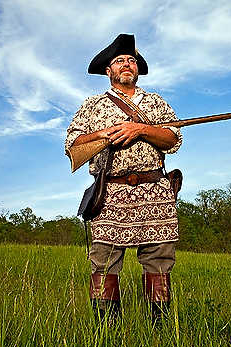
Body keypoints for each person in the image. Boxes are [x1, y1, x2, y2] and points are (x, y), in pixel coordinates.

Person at [65, 34, 182, 325]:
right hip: (111, 192)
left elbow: (173, 137)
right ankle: (107, 331)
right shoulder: (92, 105)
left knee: (159, 262)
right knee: (103, 262)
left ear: (138, 69)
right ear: (109, 71)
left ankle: (160, 329)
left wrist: (140, 129)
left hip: (156, 190)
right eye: (119, 61)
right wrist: (107, 134)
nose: (126, 64)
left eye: (131, 60)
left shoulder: (155, 101)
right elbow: (73, 143)